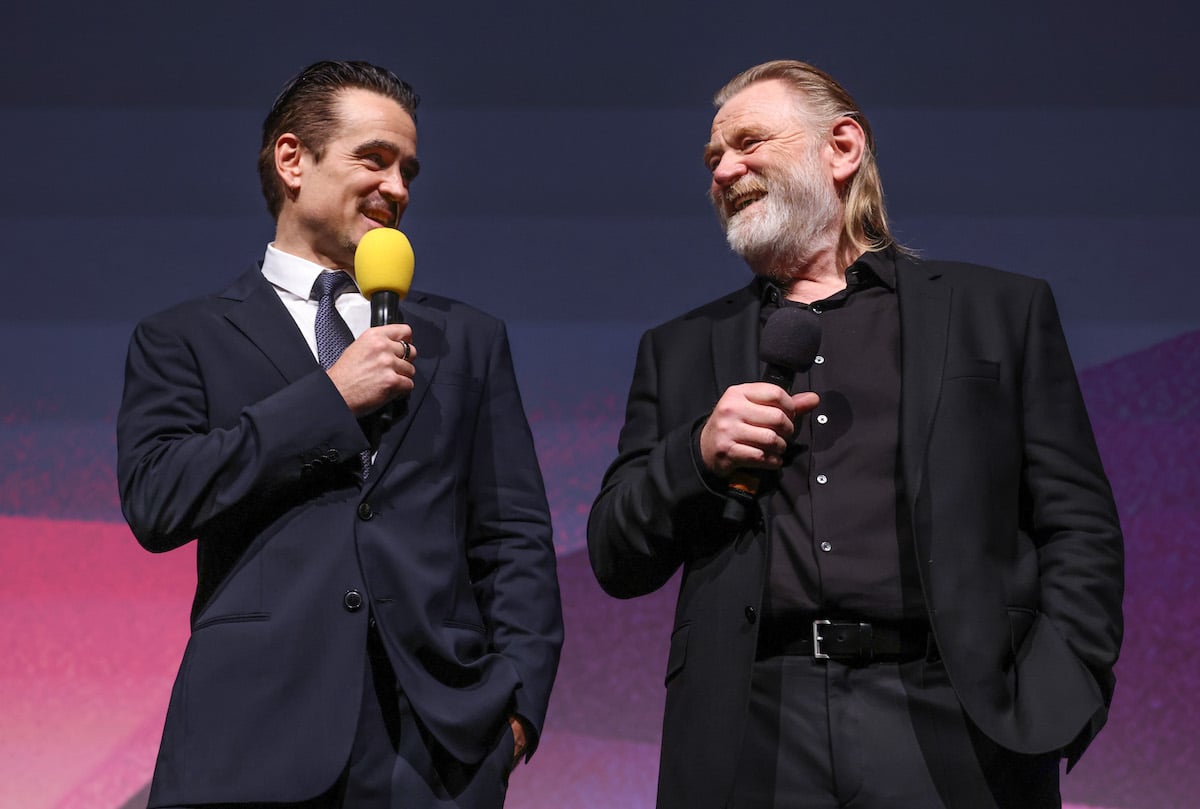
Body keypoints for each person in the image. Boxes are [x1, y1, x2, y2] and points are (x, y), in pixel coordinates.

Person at [586, 59, 1123, 809]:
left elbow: (1079, 525)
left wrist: (1060, 689)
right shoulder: (680, 348)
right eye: (713, 158)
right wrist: (697, 457)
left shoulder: (997, 312)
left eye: (747, 142)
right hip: (755, 729)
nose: (724, 169)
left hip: (953, 721)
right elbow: (614, 552)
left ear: (842, 147)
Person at [117, 60, 563, 809]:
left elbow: (512, 536)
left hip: (433, 751)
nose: (398, 188)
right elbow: (158, 498)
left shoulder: (467, 339)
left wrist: (514, 713)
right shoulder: (183, 337)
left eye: (408, 169)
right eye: (374, 159)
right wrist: (328, 397)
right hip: (248, 740)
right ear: (293, 159)